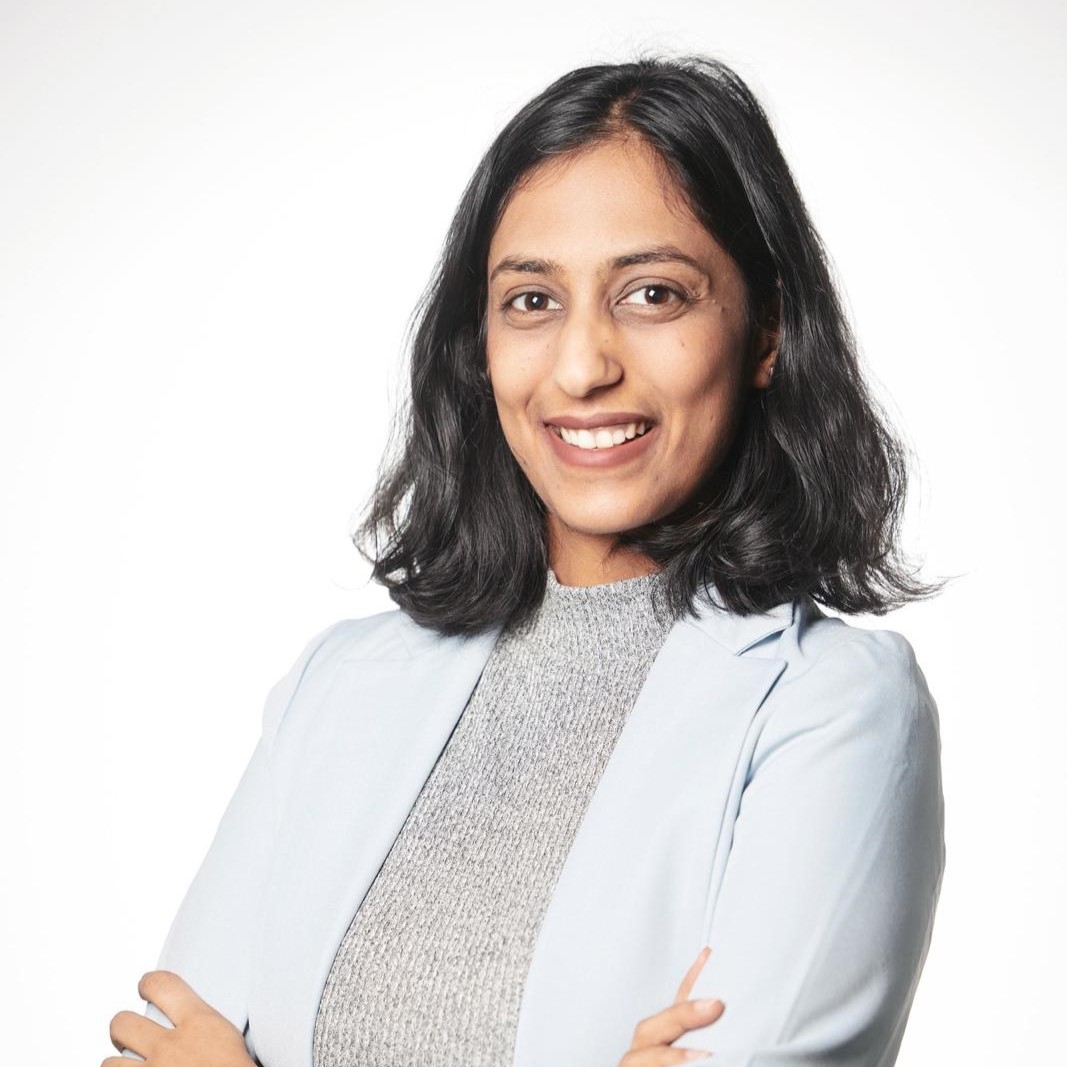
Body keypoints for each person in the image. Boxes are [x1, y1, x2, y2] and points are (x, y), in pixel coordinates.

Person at [103, 55, 947, 1067]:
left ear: (764, 329)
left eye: (651, 293)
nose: (582, 367)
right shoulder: (337, 685)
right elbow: (161, 1042)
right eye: (532, 301)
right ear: (480, 340)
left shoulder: (834, 707)